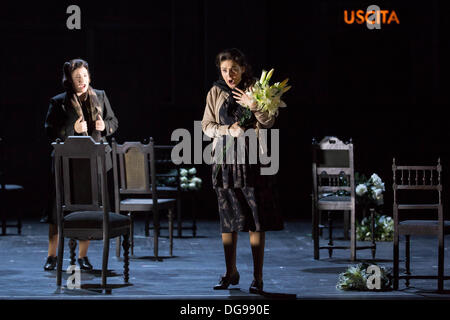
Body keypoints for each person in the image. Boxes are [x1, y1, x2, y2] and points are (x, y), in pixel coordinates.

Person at [201, 48, 283, 294]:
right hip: (224, 162)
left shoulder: (257, 89)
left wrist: (255, 105)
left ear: (243, 68)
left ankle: (257, 278)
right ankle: (230, 272)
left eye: (233, 70)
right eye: (225, 70)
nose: (229, 74)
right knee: (228, 220)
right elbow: (206, 126)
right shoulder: (215, 91)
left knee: (255, 220)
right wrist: (228, 130)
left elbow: (269, 121)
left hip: (252, 162)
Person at [43, 58, 118, 271]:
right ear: (69, 80)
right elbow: (49, 130)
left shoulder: (100, 96)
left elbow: (114, 121)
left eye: (85, 76)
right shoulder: (59, 101)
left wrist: (106, 126)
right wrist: (71, 129)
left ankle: (82, 257)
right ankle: (52, 256)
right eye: (77, 78)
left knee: (89, 210)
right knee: (57, 211)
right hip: (67, 164)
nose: (82, 80)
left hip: (93, 163)